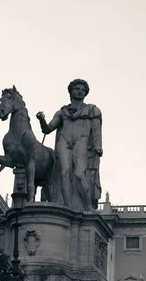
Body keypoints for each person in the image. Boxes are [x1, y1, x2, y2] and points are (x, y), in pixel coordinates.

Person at [36, 79, 102, 211]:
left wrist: (97, 145)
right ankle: (67, 208)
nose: (80, 92)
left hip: (81, 141)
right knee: (64, 172)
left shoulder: (92, 110)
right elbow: (47, 129)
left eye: (83, 90)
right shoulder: (62, 112)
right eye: (77, 89)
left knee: (79, 173)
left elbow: (96, 131)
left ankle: (88, 206)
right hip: (63, 140)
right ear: (71, 91)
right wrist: (41, 120)